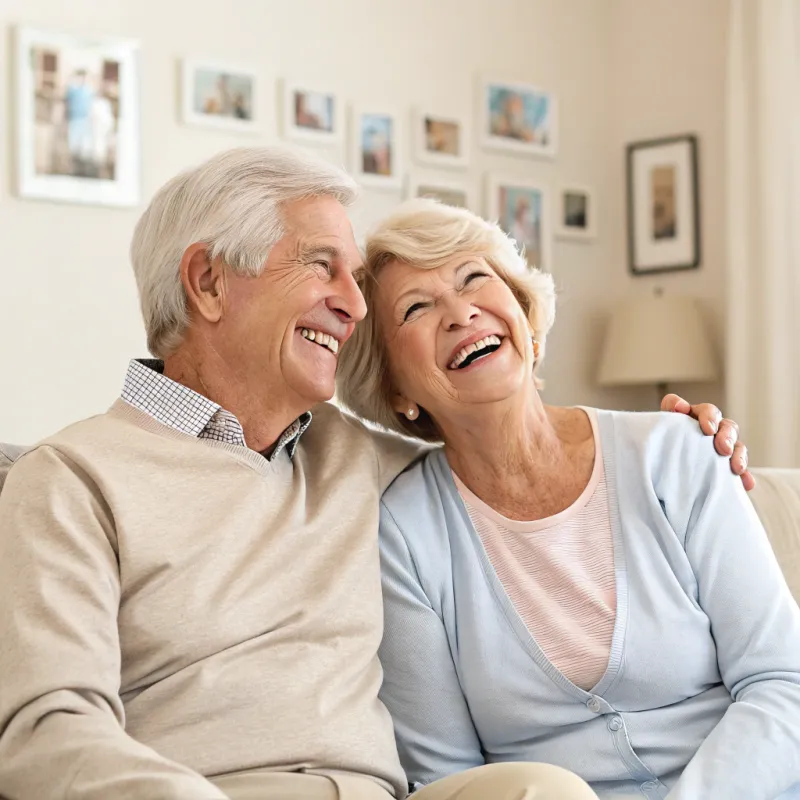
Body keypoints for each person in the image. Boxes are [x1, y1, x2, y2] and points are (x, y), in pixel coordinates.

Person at [0, 147, 747, 800]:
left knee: (540, 791)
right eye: (322, 266)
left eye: (355, 279)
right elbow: (47, 732)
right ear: (208, 282)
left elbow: (506, 457)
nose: (354, 306)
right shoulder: (70, 480)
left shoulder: (357, 458)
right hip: (210, 790)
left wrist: (674, 445)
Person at [335, 198, 800, 800]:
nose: (460, 312)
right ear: (395, 387)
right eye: (416, 308)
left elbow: (782, 679)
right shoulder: (404, 533)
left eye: (474, 277)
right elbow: (449, 779)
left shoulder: (675, 453)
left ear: (524, 312)